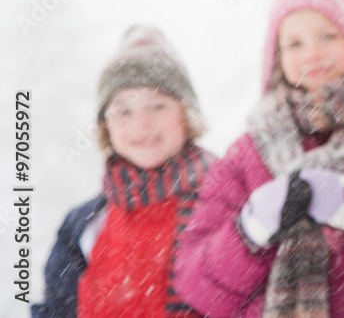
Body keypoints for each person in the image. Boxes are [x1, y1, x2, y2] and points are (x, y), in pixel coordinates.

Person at [175, 0, 344, 318]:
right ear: (278, 58)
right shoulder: (249, 152)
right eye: (294, 44)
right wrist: (251, 228)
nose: (312, 54)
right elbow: (197, 287)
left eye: (327, 36)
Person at [32, 26, 214, 318]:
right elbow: (57, 310)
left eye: (158, 106)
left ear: (186, 114)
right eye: (123, 111)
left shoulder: (222, 201)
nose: (141, 123)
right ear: (106, 126)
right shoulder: (83, 225)